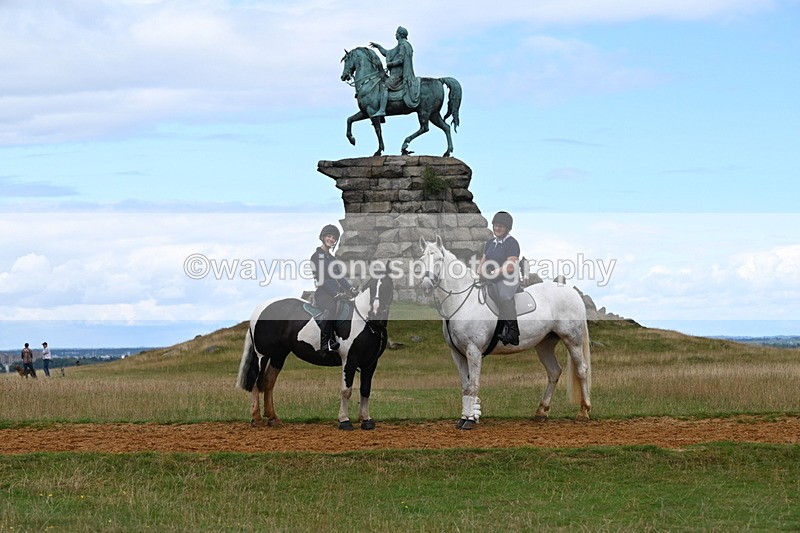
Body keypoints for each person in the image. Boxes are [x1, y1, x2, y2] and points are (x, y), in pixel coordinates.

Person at [310, 224, 358, 359]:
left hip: (336, 293)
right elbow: (321, 279)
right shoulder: (316, 256)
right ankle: (325, 343)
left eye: (334, 238)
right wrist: (334, 293)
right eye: (329, 236)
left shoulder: (332, 259)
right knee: (331, 308)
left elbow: (339, 277)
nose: (331, 239)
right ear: (323, 237)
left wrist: (351, 288)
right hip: (323, 293)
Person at [478, 212, 521, 345]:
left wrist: (492, 273)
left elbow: (510, 267)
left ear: (507, 228)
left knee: (504, 296)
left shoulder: (512, 243)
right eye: (495, 225)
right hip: (491, 278)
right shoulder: (490, 243)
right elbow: (483, 262)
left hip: (508, 279)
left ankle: (513, 333)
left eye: (500, 226)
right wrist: (478, 274)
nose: (497, 228)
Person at [369, 26, 420, 117]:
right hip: (396, 74)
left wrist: (390, 64)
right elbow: (387, 53)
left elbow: (400, 60)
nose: (395, 34)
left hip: (399, 75)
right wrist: (378, 46)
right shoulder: (401, 45)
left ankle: (382, 110)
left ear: (400, 35)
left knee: (384, 85)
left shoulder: (403, 45)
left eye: (396, 33)